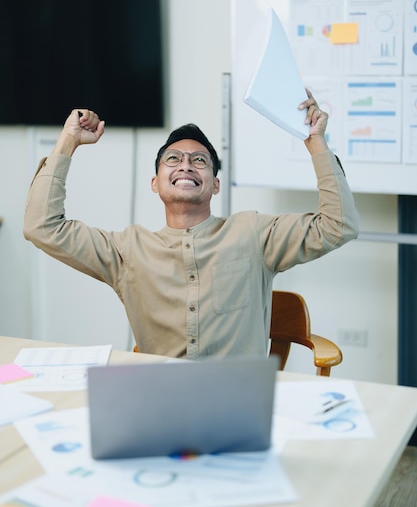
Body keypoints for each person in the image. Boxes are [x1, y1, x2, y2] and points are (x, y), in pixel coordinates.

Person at [24, 91, 359, 359]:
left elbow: (338, 225)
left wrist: (316, 142)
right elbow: (42, 226)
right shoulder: (127, 250)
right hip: (164, 404)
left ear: (214, 184)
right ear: (156, 183)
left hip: (238, 405)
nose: (186, 164)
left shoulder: (253, 233)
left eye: (200, 161)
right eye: (173, 159)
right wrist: (68, 142)